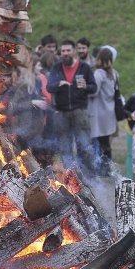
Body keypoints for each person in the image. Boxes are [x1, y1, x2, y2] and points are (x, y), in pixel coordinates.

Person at [46, 40, 97, 171]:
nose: (65, 53)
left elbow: (94, 87)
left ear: (74, 51)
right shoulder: (56, 67)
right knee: (64, 147)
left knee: (84, 146)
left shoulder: (84, 67)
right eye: (63, 51)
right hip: (61, 112)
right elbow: (49, 87)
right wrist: (59, 84)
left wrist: (86, 86)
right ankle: (69, 177)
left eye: (68, 50)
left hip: (79, 111)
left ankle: (89, 176)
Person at [87, 47, 118, 175]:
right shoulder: (114, 73)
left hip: (98, 112)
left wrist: (83, 90)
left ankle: (99, 168)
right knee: (106, 142)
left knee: (97, 141)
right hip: (109, 111)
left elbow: (94, 91)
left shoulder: (99, 73)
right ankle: (108, 168)